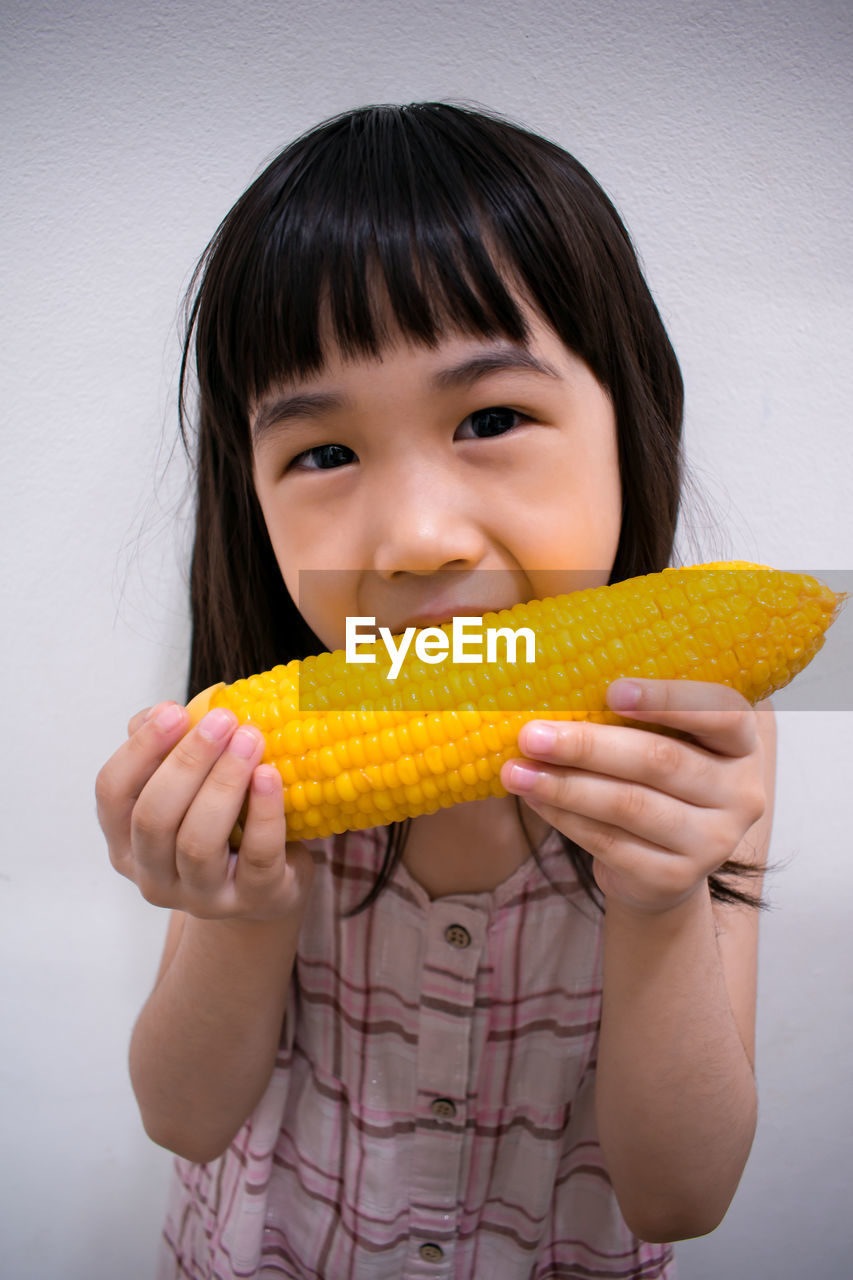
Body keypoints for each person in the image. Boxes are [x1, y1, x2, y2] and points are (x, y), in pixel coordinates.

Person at [96, 102, 776, 1280]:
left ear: (630, 424)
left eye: (492, 418)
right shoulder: (249, 752)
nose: (414, 538)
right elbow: (184, 1117)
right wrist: (240, 905)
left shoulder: (699, 737)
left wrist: (660, 907)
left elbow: (681, 1193)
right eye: (322, 452)